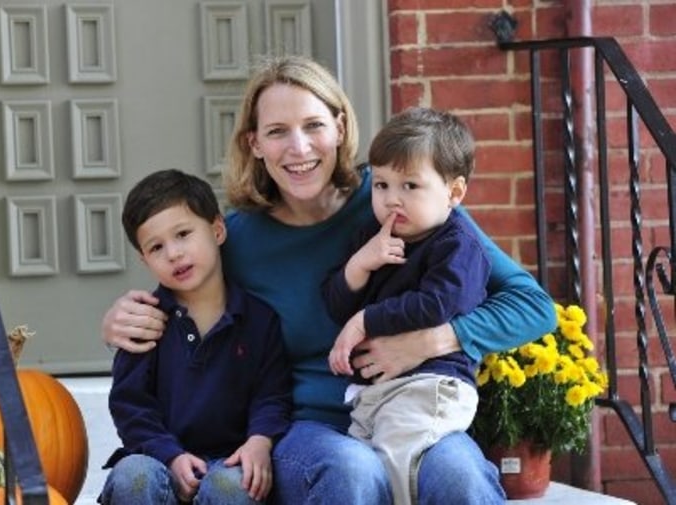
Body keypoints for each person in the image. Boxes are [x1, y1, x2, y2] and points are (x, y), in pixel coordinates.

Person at [100, 55, 557, 505]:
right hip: (308, 427)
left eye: (313, 125)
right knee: (352, 472)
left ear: (340, 127)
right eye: (277, 131)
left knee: (461, 477)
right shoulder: (236, 240)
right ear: (254, 143)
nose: (299, 148)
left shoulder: (400, 196)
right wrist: (120, 322)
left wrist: (432, 341)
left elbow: (532, 307)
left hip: (415, 411)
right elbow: (180, 288)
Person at [323, 107, 490, 505]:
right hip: (376, 394)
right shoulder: (373, 236)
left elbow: (436, 304)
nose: (391, 199)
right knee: (369, 469)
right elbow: (334, 304)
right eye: (381, 185)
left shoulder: (458, 244)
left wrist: (366, 320)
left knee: (399, 467)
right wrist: (361, 264)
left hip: (429, 385)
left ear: (454, 192)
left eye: (410, 186)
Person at [99, 169, 292, 505]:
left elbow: (271, 395)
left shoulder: (260, 319)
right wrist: (170, 455)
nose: (173, 253)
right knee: (132, 476)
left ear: (217, 230)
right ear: (145, 260)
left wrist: (260, 441)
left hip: (230, 462)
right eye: (157, 247)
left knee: (231, 488)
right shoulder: (145, 322)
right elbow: (131, 405)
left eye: (184, 234)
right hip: (160, 461)